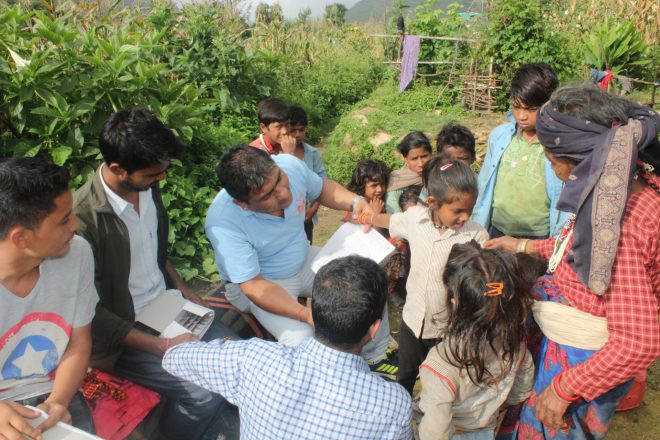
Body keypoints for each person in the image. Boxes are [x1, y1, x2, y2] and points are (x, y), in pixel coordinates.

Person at [484, 86, 660, 439]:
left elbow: (639, 342)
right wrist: (523, 245)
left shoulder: (620, 225)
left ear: (583, 159)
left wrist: (565, 388)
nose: (553, 168)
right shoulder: (619, 188)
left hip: (578, 359)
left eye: (552, 160)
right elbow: (582, 249)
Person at [73, 107, 236, 440]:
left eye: (162, 171)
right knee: (203, 394)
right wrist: (161, 347)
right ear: (118, 169)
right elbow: (90, 313)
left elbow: (154, 253)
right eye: (153, 174)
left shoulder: (146, 187)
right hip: (123, 335)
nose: (161, 179)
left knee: (236, 356)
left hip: (167, 307)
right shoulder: (82, 221)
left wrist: (183, 289)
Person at [163, 255, 412, 440]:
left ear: (314, 310)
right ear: (374, 329)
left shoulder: (253, 359)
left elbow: (174, 358)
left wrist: (215, 346)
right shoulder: (393, 404)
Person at [206, 145, 397, 375]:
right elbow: (253, 286)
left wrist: (356, 202)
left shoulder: (289, 165)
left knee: (369, 281)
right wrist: (306, 315)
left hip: (302, 257)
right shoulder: (224, 222)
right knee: (305, 342)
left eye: (279, 180)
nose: (283, 193)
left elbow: (321, 189)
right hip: (264, 282)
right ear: (243, 203)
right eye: (267, 196)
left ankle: (375, 357)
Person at [359, 157, 489, 395]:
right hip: (413, 321)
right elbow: (391, 220)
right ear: (432, 202)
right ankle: (404, 415)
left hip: (448, 329)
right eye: (457, 211)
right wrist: (369, 218)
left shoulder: (477, 236)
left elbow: (483, 281)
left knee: (442, 382)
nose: (464, 217)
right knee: (405, 376)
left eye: (470, 210)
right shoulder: (415, 219)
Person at [0, 157, 98, 439]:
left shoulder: (76, 253)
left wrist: (58, 402)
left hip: (54, 390)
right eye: (63, 220)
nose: (75, 225)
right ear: (21, 239)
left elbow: (79, 341)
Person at [418, 241, 537, 440]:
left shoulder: (440, 362)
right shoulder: (515, 344)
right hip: (487, 431)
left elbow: (435, 433)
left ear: (455, 302)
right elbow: (521, 390)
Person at [472, 63, 570, 239]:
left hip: (539, 238)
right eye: (517, 107)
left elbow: (569, 194)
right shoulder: (500, 137)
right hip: (497, 232)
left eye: (531, 109)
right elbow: (484, 183)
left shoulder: (559, 144)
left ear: (549, 104)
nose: (522, 116)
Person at [288, 105, 327, 244]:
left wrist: (313, 210)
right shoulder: (278, 155)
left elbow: (322, 182)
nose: (298, 134)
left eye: (301, 130)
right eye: (293, 130)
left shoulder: (313, 153)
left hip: (306, 216)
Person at [385, 131, 433, 214]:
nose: (420, 164)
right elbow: (394, 215)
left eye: (424, 156)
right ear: (406, 160)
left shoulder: (441, 172)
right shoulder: (396, 180)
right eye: (414, 159)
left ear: (431, 154)